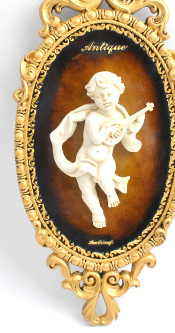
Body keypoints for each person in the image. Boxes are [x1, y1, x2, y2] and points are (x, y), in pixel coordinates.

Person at [50, 72, 146, 228]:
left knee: (103, 178)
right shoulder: (93, 117)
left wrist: (138, 124)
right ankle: (97, 212)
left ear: (118, 92)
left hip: (105, 160)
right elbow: (96, 139)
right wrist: (108, 130)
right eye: (100, 96)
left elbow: (125, 134)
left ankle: (111, 194)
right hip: (84, 159)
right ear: (93, 97)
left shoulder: (121, 117)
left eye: (110, 94)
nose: (105, 99)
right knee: (87, 190)